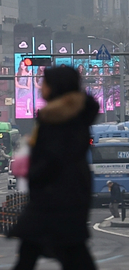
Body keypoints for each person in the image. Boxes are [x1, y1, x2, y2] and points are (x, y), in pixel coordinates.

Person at [9, 66, 99, 270]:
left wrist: (34, 173)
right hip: (65, 194)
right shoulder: (73, 117)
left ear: (56, 87)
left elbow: (52, 158)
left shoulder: (58, 119)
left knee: (64, 253)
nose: (42, 86)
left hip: (56, 196)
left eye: (45, 82)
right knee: (65, 253)